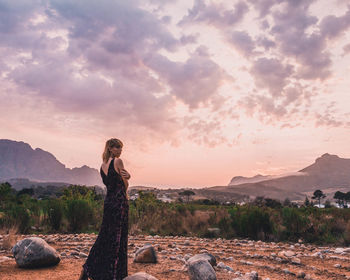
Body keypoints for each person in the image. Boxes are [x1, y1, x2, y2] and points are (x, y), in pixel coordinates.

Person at [79, 138, 130, 280]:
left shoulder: (102, 166)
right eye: (117, 147)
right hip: (119, 203)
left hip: (108, 204)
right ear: (110, 149)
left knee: (105, 237)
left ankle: (88, 269)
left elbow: (110, 185)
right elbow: (125, 185)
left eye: (121, 147)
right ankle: (116, 275)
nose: (120, 150)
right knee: (118, 239)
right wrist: (129, 178)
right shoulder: (118, 162)